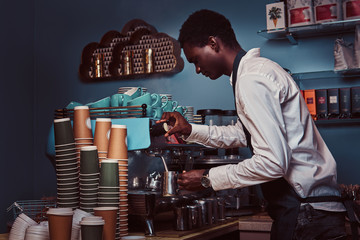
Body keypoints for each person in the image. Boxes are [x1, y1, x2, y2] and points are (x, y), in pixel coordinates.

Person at [157, 9, 350, 240]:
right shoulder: (256, 72)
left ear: (212, 43)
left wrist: (208, 178)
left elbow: (273, 163)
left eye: (196, 60)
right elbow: (244, 133)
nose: (197, 69)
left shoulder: (252, 79)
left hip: (306, 212)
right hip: (313, 211)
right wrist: (190, 130)